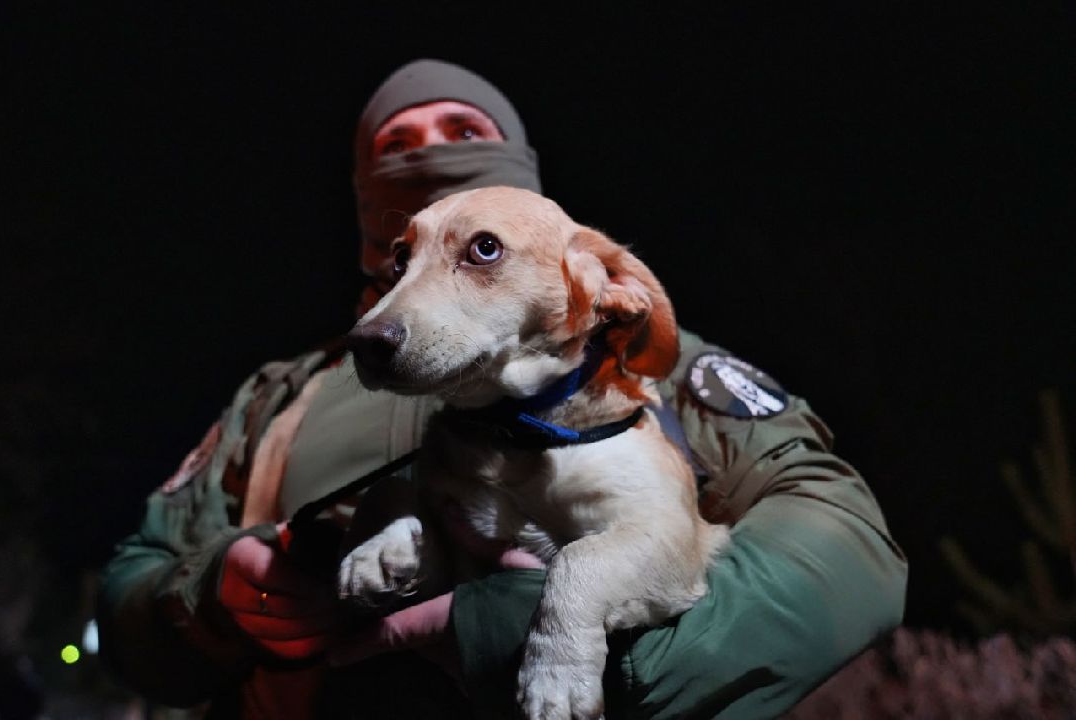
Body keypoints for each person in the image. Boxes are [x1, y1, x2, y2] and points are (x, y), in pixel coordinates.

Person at [97, 59, 907, 719]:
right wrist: (206, 597)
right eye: (397, 141)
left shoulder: (637, 365)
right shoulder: (281, 398)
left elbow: (851, 544)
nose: (427, 154)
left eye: (462, 131)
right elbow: (133, 586)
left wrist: (584, 646)